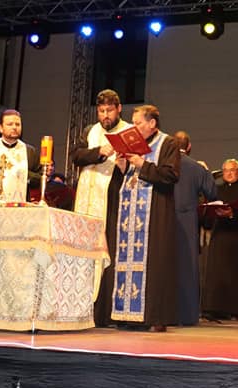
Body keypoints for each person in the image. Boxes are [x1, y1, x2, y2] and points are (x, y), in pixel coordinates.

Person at [111, 104, 180, 331]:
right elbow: (127, 180)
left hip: (155, 213)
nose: (134, 127)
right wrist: (122, 167)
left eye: (138, 123)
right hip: (129, 215)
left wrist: (143, 164)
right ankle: (127, 315)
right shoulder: (132, 146)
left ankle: (155, 317)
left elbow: (171, 175)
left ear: (152, 123)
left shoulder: (168, 143)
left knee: (154, 264)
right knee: (126, 260)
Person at [71, 89, 131, 327]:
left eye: (109, 110)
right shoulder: (90, 131)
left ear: (119, 109)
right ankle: (83, 307)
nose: (105, 115)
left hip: (114, 198)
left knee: (111, 250)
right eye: (101, 111)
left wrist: (124, 163)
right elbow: (76, 156)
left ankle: (106, 311)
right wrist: (100, 152)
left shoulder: (128, 131)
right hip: (87, 198)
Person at [171, 131, 218, 326]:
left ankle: (165, 313)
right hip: (187, 221)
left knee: (166, 265)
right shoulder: (196, 167)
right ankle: (188, 316)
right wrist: (206, 172)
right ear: (189, 147)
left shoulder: (162, 165)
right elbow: (212, 193)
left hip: (164, 220)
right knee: (188, 267)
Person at [202, 159, 238, 319]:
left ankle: (237, 310)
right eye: (225, 170)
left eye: (232, 170)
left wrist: (231, 214)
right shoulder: (216, 189)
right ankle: (216, 308)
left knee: (236, 274)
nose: (229, 173)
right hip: (220, 235)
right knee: (218, 273)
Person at [0, 109, 41, 204]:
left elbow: (40, 179)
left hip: (20, 206)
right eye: (10, 124)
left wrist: (25, 174)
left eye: (17, 124)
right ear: (0, 128)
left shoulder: (29, 151)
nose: (14, 127)